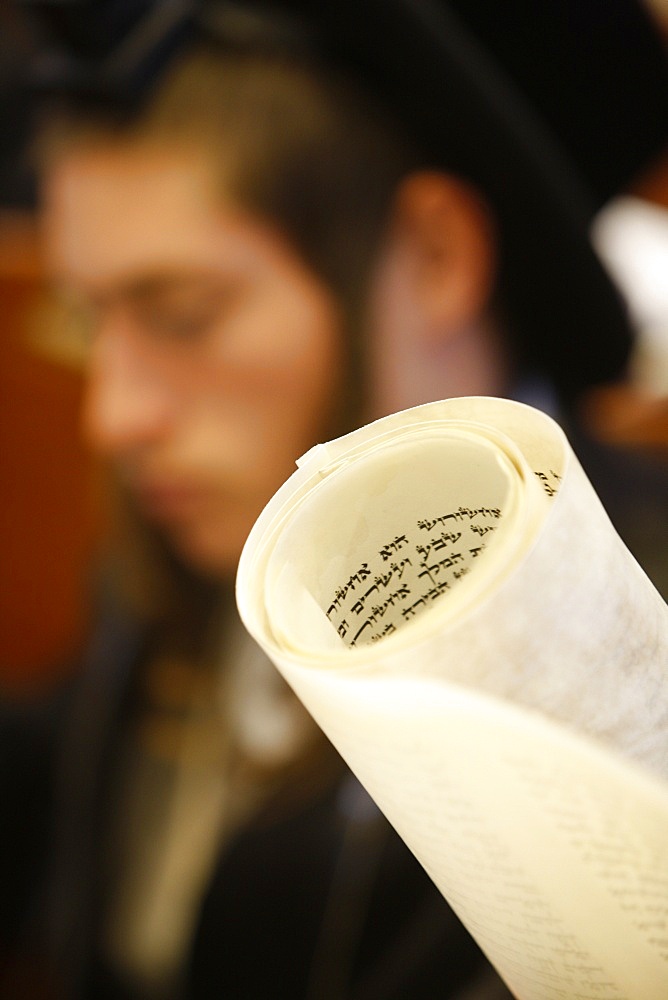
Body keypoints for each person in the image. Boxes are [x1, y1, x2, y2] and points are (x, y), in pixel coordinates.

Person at [3, 1, 668, 998]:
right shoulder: (188, 551)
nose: (113, 415)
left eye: (183, 314)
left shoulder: (632, 656)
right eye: (87, 318)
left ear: (435, 256)